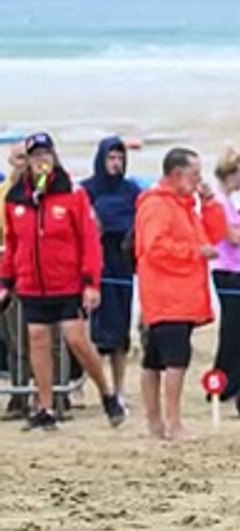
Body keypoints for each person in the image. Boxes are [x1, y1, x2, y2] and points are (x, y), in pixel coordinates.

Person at [0, 133, 125, 431]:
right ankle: (45, 407)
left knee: (77, 341)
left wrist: (91, 281)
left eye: (47, 154)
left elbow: (89, 239)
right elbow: (13, 244)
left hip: (68, 283)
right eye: (36, 156)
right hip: (32, 284)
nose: (42, 161)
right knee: (38, 342)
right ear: (27, 161)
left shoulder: (71, 193)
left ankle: (108, 394)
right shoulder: (16, 197)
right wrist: (6, 281)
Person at [136, 147, 227, 440]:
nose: (198, 180)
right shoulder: (157, 205)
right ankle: (170, 424)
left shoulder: (184, 205)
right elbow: (155, 247)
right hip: (166, 294)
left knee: (156, 359)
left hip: (182, 293)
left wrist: (210, 202)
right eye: (194, 175)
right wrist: (194, 252)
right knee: (174, 360)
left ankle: (157, 423)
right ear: (176, 175)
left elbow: (216, 235)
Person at [80, 135, 142, 400]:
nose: (116, 163)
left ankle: (119, 387)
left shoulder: (131, 191)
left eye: (120, 158)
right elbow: (87, 224)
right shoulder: (87, 189)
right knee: (88, 329)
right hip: (94, 264)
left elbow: (136, 222)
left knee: (120, 329)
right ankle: (86, 386)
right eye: (111, 158)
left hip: (121, 263)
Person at [209, 148, 240, 399]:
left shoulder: (231, 203)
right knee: (233, 327)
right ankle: (225, 379)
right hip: (227, 270)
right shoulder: (219, 204)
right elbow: (234, 237)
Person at [1, 144, 30, 419]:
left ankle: (56, 396)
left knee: (50, 341)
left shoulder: (40, 192)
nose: (24, 163)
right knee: (14, 339)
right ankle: (19, 395)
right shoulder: (3, 194)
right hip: (9, 275)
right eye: (20, 158)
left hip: (38, 275)